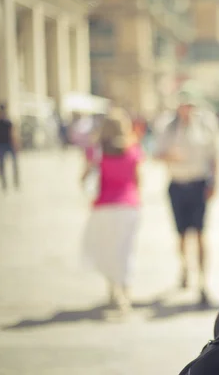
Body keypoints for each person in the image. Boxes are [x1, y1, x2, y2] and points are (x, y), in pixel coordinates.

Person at [155, 89, 218, 304]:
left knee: (201, 234)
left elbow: (214, 155)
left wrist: (214, 181)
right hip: (177, 184)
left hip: (198, 183)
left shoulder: (205, 124)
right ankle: (185, 269)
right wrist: (169, 156)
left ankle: (202, 281)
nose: (187, 109)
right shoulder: (167, 126)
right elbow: (156, 154)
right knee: (181, 235)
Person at [80, 108, 142, 315]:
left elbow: (84, 178)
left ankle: (112, 290)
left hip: (103, 206)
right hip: (128, 205)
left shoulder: (96, 151)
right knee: (125, 250)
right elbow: (137, 180)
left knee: (107, 249)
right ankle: (126, 293)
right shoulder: (132, 149)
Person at [0, 103, 19, 191]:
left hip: (8, 144)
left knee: (14, 164)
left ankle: (15, 181)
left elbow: (13, 132)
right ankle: (4, 182)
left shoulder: (8, 121)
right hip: (1, 144)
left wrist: (15, 144)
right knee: (1, 164)